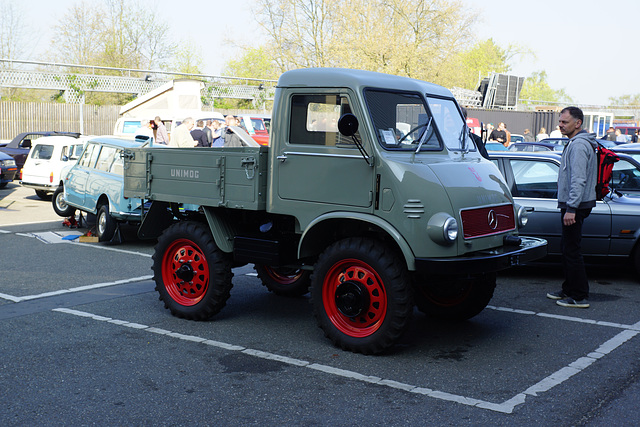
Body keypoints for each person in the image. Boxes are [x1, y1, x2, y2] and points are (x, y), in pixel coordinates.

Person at [546, 106, 596, 309]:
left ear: (578, 123)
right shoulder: (574, 143)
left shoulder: (579, 146)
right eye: (560, 121)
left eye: (564, 122)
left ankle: (579, 295)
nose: (560, 125)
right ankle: (569, 288)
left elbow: (578, 179)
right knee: (567, 248)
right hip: (574, 204)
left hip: (575, 205)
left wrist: (572, 208)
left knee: (572, 250)